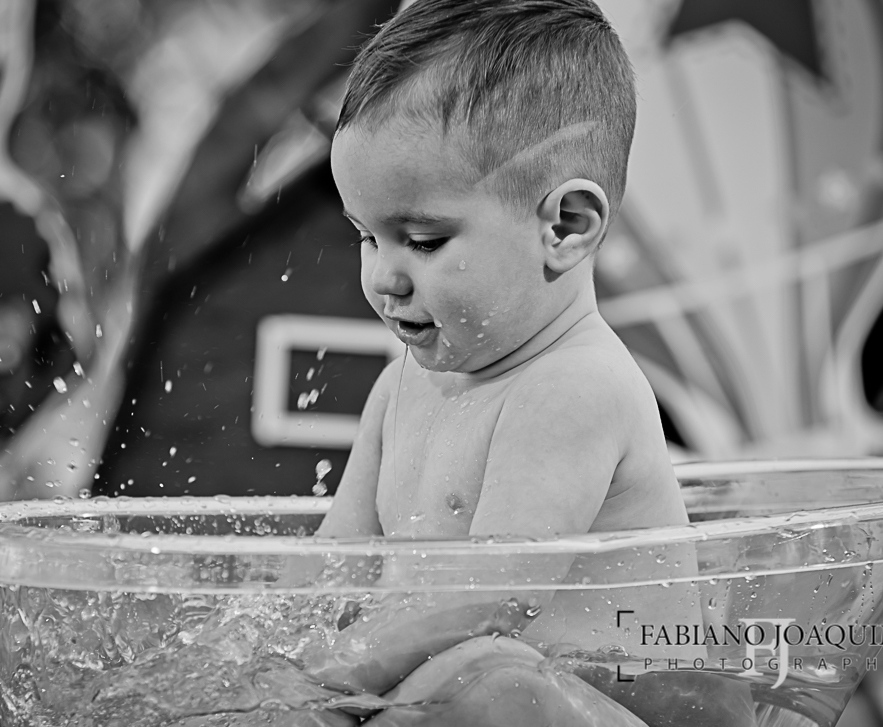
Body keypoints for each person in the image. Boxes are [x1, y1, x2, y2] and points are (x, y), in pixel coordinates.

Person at [282, 1, 756, 725]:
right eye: (367, 237)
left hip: (632, 710)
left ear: (565, 227)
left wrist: (331, 674)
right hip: (469, 697)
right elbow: (333, 565)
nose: (383, 278)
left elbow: (488, 595)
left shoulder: (575, 387)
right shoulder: (402, 386)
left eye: (423, 241)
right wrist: (266, 651)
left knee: (489, 676)